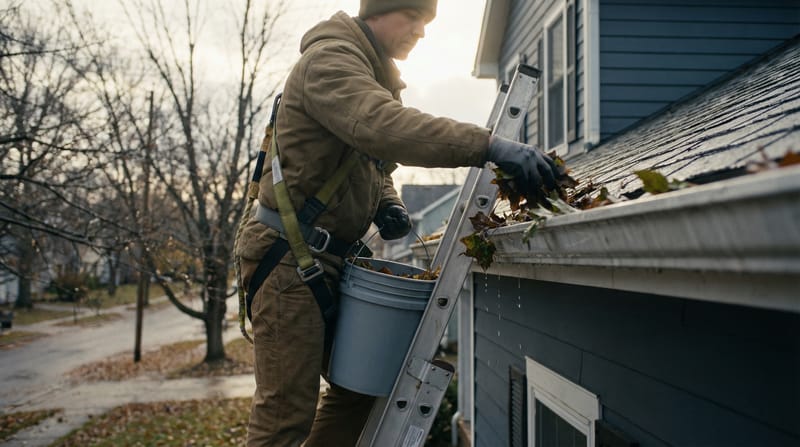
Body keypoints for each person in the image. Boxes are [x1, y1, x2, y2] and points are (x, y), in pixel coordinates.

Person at [236, 0, 560, 445]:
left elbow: (374, 162)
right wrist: (488, 146)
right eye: (414, 18)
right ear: (379, 12)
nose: (421, 32)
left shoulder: (371, 75)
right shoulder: (330, 62)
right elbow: (381, 127)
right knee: (284, 415)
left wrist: (386, 202)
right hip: (289, 259)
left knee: (359, 387)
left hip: (326, 259)